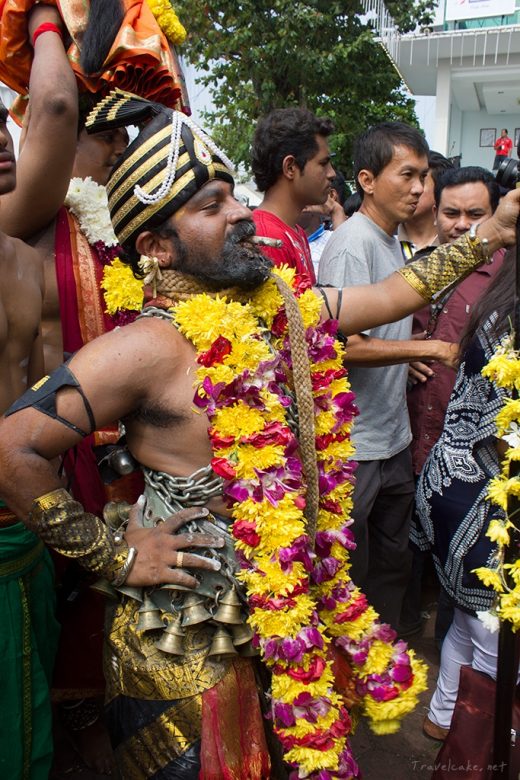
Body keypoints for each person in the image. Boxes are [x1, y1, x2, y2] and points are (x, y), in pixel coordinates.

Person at [0, 90, 518, 778]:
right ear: (156, 245)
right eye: (212, 207)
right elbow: (12, 448)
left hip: (280, 607)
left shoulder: (280, 312)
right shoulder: (144, 348)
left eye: (232, 197)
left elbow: (394, 296)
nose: (243, 214)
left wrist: (491, 233)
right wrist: (116, 557)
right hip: (184, 636)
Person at [317, 122, 458, 629]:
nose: (420, 187)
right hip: (356, 447)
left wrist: (402, 354)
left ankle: (390, 666)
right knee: (354, 572)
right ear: (368, 180)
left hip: (391, 438)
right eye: (407, 175)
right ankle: (354, 677)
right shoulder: (353, 244)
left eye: (423, 176)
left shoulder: (390, 240)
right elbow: (345, 344)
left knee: (394, 562)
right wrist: (427, 348)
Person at [0, 5, 72, 776]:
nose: (0, 140)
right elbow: (52, 105)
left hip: (32, 521)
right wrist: (45, 16)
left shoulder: (20, 251)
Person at [401, 165, 504, 640]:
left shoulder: (505, 280)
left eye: (475, 213)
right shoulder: (419, 271)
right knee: (404, 559)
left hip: (468, 461)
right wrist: (404, 357)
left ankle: (456, 686)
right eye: (452, 213)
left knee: (461, 585)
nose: (462, 224)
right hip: (407, 443)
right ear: (435, 212)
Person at [415, 255, 516, 740]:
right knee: (496, 639)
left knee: (467, 621)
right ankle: (480, 747)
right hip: (482, 491)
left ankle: (441, 721)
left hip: (450, 485)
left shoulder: (497, 300)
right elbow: (506, 431)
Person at [251, 107, 336, 285]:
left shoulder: (295, 231)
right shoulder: (267, 238)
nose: (332, 173)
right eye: (323, 164)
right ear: (290, 168)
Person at [399, 150, 453, 260]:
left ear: (441, 190)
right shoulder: (385, 238)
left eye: (422, 180)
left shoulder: (454, 242)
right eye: (406, 179)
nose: (414, 189)